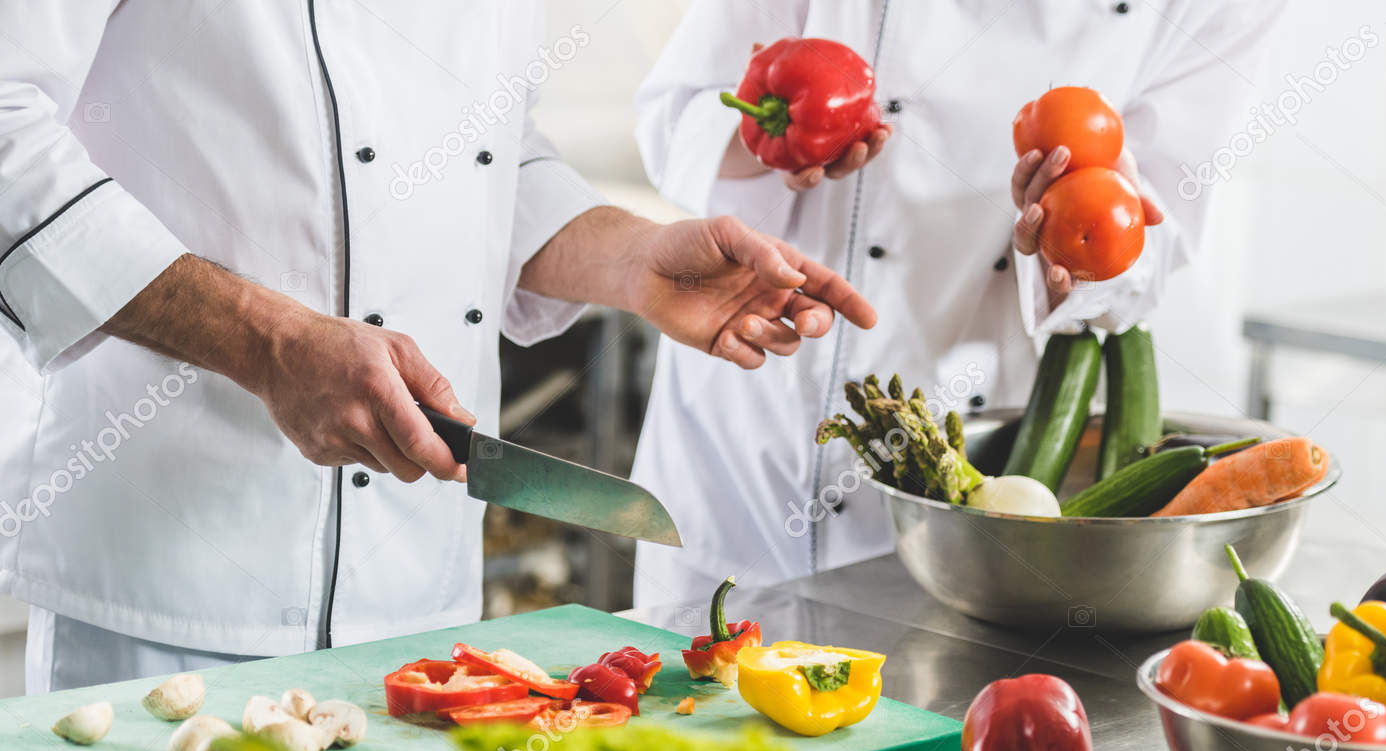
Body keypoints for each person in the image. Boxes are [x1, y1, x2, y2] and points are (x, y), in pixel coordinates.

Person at [0, 2, 872, 691]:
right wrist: (265, 343)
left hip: (421, 603)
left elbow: (490, 153)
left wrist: (632, 258)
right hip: (170, 592)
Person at [630, 0, 1285, 608]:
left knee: (920, 711)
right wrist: (777, 141)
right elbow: (674, 118)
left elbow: (1154, 235)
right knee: (688, 708)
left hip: (959, 478)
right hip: (748, 430)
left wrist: (1075, 263)